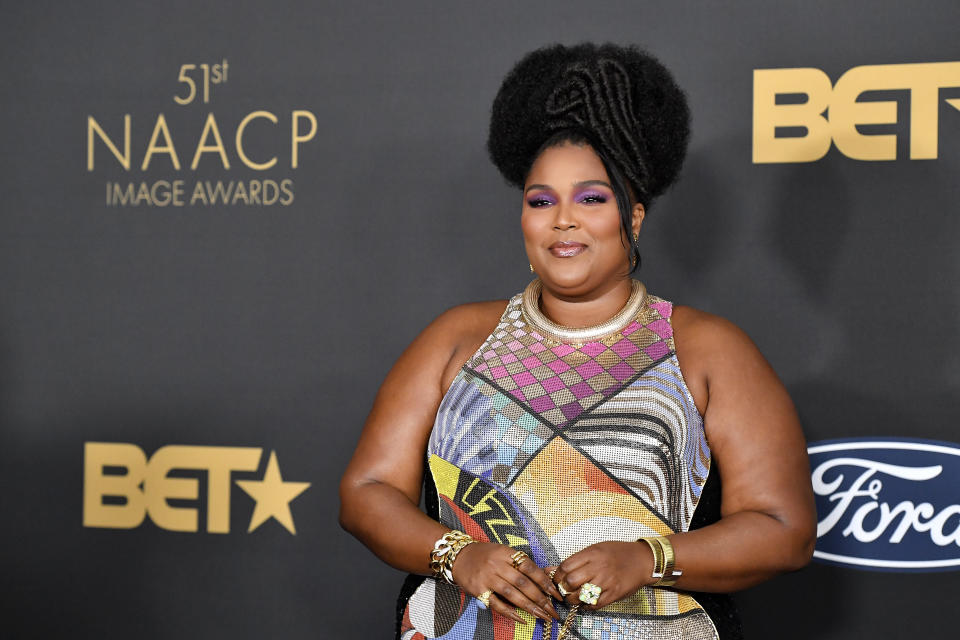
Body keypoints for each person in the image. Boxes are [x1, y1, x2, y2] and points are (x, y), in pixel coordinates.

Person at [340, 42, 816, 640]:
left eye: (592, 198)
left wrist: (648, 559)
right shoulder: (456, 338)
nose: (563, 219)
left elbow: (783, 528)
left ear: (634, 217)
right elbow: (366, 491)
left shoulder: (708, 351)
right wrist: (457, 554)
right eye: (542, 201)